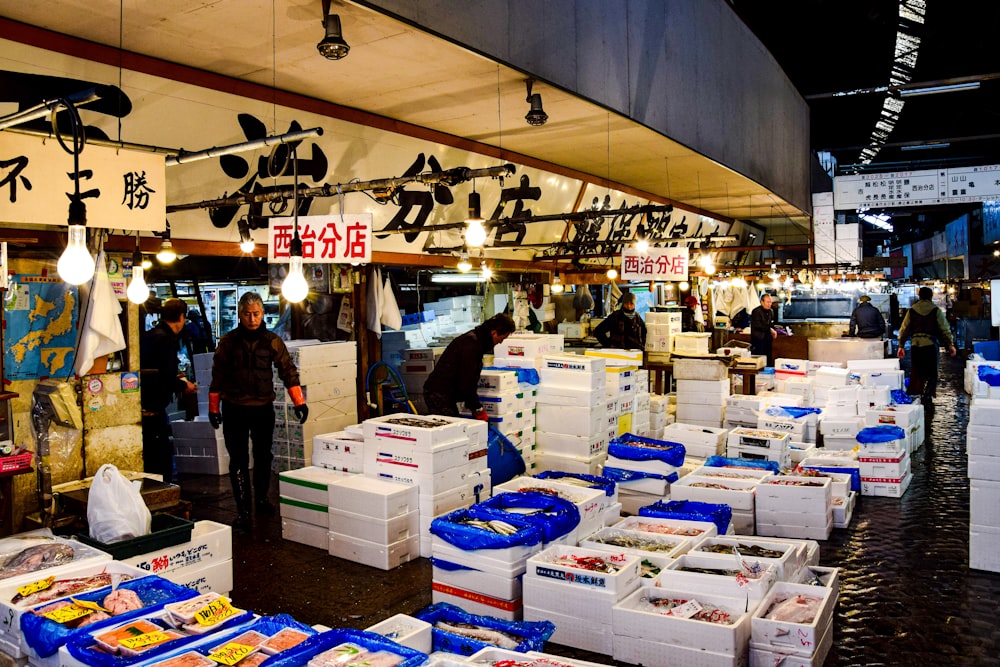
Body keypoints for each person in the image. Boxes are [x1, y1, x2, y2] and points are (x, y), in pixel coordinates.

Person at [208, 292, 308, 531]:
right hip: (234, 409)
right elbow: (217, 376)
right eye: (247, 314)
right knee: (239, 460)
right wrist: (214, 408)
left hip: (263, 409)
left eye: (256, 313)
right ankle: (243, 510)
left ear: (263, 314)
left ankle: (262, 499)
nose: (252, 318)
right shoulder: (228, 342)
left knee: (264, 456)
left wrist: (299, 402)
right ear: (240, 315)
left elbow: (288, 372)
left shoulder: (273, 341)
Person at [140, 298, 197, 485]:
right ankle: (160, 492)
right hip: (154, 408)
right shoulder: (166, 340)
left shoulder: (150, 335)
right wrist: (183, 385)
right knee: (160, 458)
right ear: (181, 317)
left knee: (151, 455)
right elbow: (165, 376)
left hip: (142, 405)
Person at [423, 314, 517, 418]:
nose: (500, 342)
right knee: (451, 430)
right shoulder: (471, 346)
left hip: (446, 394)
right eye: (502, 338)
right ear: (494, 332)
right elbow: (467, 382)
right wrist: (476, 408)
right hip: (438, 393)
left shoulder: (476, 340)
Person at [897, 286, 957, 401]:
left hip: (916, 345)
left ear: (919, 296)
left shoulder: (912, 310)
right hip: (930, 345)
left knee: (917, 370)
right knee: (932, 372)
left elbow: (903, 329)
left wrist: (901, 345)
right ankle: (928, 395)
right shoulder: (935, 310)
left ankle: (919, 394)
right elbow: (945, 329)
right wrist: (950, 344)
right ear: (931, 296)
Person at [750, 292, 777, 365]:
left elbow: (771, 323)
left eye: (770, 302)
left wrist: (774, 330)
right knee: (759, 359)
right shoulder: (756, 311)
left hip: (768, 340)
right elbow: (758, 325)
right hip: (758, 340)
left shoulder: (771, 311)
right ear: (761, 302)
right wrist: (770, 329)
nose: (769, 304)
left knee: (768, 358)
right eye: (767, 302)